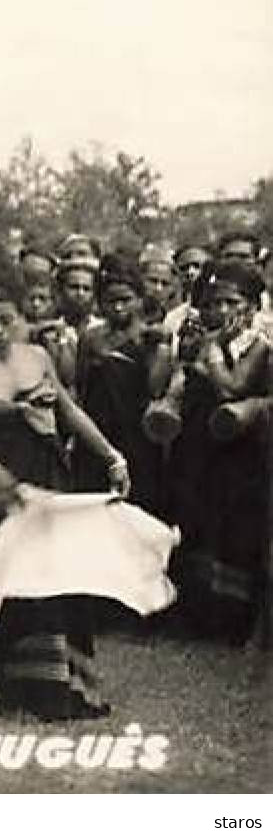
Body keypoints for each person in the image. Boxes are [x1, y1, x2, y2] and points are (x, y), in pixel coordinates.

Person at [0, 240, 132, 719]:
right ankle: (17, 684)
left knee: (53, 573)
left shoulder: (38, 357)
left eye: (5, 320)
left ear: (19, 315)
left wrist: (112, 456)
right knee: (7, 577)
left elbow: (70, 411)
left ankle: (59, 684)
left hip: (47, 476)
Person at [157, 261, 269, 644]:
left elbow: (232, 387)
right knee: (196, 517)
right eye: (212, 303)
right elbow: (172, 383)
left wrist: (212, 353)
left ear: (252, 308)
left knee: (236, 526)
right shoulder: (196, 342)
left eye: (231, 303)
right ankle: (193, 613)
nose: (220, 311)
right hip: (198, 446)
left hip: (241, 452)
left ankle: (232, 621)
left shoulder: (257, 346)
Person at [72, 253, 166, 515]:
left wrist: (159, 350)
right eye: (110, 301)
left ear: (140, 299)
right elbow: (81, 386)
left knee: (140, 509)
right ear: (100, 302)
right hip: (98, 437)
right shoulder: (90, 339)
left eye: (126, 300)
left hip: (138, 437)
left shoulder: (150, 338)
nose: (118, 307)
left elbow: (155, 388)